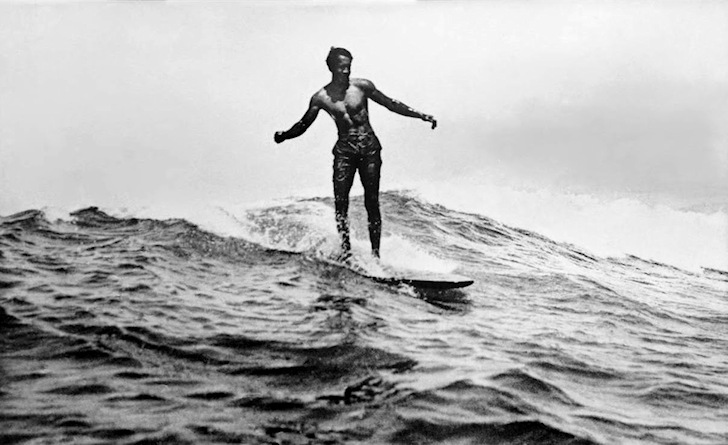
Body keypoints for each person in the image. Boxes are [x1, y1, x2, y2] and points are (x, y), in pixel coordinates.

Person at [274, 47, 437, 260]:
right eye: (342, 67)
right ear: (332, 68)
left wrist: (421, 115)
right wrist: (285, 135)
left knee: (372, 201)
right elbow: (304, 123)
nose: (346, 71)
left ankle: (375, 256)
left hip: (369, 148)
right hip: (345, 152)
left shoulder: (362, 86)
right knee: (341, 202)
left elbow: (391, 104)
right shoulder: (321, 98)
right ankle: (346, 251)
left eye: (348, 67)